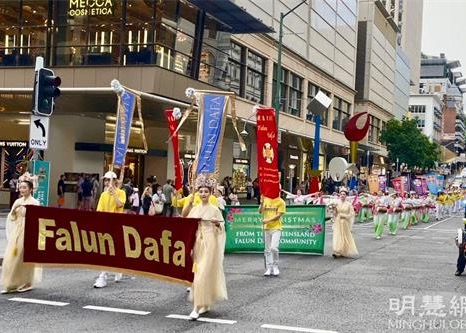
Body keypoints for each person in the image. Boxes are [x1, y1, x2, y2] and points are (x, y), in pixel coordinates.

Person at [182, 174, 227, 320]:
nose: (203, 194)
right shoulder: (194, 208)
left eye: (206, 191)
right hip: (198, 244)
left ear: (210, 193)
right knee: (198, 273)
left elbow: (222, 227)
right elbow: (186, 221)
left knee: (202, 274)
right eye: (200, 191)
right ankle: (204, 303)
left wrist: (216, 223)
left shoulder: (214, 209)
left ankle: (196, 307)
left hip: (210, 243)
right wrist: (188, 203)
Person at [1, 179, 41, 293]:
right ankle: (12, 282)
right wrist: (14, 209)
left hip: (28, 231)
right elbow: (12, 217)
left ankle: (27, 282)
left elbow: (37, 219)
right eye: (21, 187)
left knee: (23, 257)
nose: (22, 189)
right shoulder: (18, 201)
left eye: (24, 187)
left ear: (31, 189)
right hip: (17, 231)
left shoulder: (35, 202)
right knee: (11, 256)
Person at [93, 171, 126, 288]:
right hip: (105, 226)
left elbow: (120, 205)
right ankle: (103, 276)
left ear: (115, 181)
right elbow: (99, 212)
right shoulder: (103, 195)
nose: (107, 182)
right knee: (106, 252)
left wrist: (114, 194)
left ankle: (116, 269)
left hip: (117, 226)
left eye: (109, 180)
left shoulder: (121, 192)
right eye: (105, 180)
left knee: (114, 251)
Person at [259, 194, 286, 277]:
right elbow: (260, 211)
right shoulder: (266, 199)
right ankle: (268, 268)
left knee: (273, 247)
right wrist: (262, 202)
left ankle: (275, 266)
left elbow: (278, 216)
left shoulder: (281, 201)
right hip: (266, 228)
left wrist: (267, 220)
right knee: (267, 249)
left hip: (276, 228)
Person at [331, 187, 358, 258]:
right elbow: (335, 213)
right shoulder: (336, 203)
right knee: (337, 235)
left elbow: (352, 214)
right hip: (338, 222)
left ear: (346, 196)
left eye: (344, 194)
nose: (342, 195)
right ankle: (337, 251)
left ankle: (343, 250)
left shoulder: (349, 204)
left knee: (345, 237)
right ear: (339, 195)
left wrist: (345, 216)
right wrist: (333, 209)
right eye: (341, 194)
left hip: (345, 222)